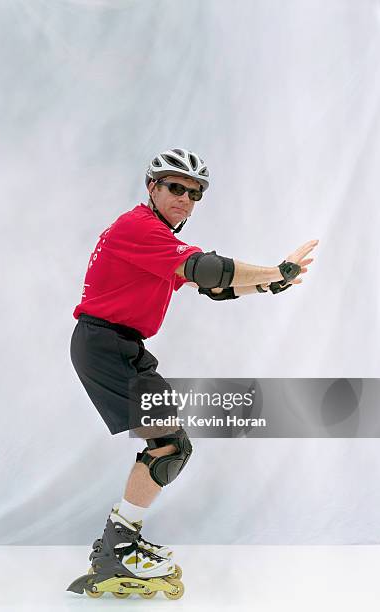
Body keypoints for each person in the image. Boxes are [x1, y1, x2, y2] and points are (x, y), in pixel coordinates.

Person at [67, 148, 318, 599]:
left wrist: (271, 283)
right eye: (175, 187)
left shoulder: (155, 239)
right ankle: (117, 546)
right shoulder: (138, 227)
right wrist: (276, 269)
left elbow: (214, 285)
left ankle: (119, 542)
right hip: (105, 344)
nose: (185, 198)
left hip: (120, 345)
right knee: (169, 445)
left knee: (171, 446)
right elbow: (207, 268)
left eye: (194, 193)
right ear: (152, 188)